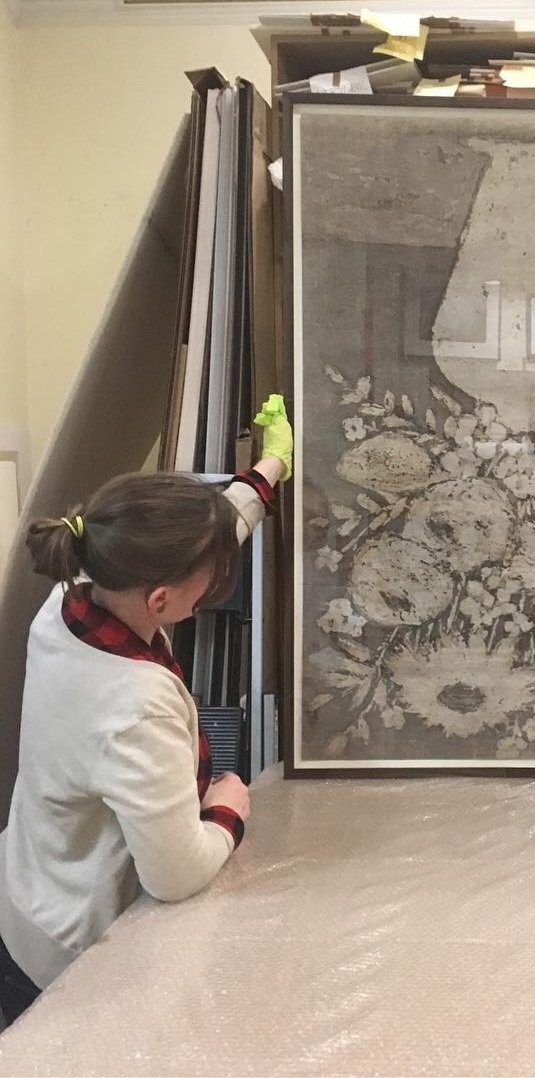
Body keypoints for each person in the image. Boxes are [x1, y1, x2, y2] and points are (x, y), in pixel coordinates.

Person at [0, 395, 294, 1024]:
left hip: (27, 886)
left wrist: (269, 470)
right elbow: (175, 874)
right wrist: (228, 809)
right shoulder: (136, 708)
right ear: (161, 599)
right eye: (208, 583)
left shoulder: (74, 593)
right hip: (67, 954)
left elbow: (197, 538)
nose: (214, 588)